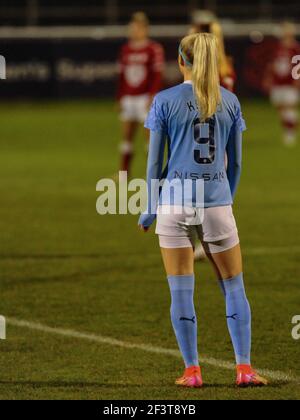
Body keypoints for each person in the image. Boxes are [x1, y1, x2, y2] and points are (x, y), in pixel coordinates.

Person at [138, 33, 268, 388]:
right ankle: (244, 369)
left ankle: (192, 371)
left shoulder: (164, 100)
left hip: (174, 204)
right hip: (217, 204)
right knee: (234, 287)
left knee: (181, 291)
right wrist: (226, 199)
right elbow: (237, 164)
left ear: (181, 60)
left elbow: (154, 165)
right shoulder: (229, 100)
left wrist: (149, 209)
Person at [190, 11, 236, 261]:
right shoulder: (219, 71)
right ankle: (210, 242)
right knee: (207, 196)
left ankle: (210, 242)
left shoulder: (215, 73)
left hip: (212, 142)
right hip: (209, 141)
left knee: (208, 196)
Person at [116, 12, 165, 180]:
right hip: (129, 97)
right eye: (132, 27)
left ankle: (153, 174)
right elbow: (122, 75)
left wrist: (153, 95)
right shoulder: (126, 49)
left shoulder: (153, 49)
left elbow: (157, 74)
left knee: (149, 138)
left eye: (137, 27)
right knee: (126, 137)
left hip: (145, 98)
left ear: (145, 29)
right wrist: (120, 97)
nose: (134, 31)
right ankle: (124, 173)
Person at [264, 22, 300, 146]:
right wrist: (268, 78)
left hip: (289, 83)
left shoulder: (295, 47)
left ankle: (290, 133)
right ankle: (288, 127)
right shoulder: (277, 47)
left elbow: (298, 65)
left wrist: (297, 80)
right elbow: (271, 64)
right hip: (277, 83)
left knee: (289, 107)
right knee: (280, 108)